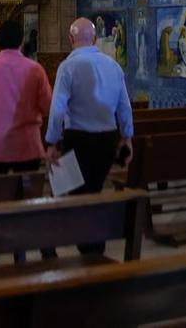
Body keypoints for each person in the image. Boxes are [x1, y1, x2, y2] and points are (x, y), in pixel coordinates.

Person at [45, 17, 134, 254]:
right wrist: (127, 137)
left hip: (78, 139)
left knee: (68, 190)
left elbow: (57, 108)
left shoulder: (68, 67)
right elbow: (124, 107)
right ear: (94, 39)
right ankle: (92, 246)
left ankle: (86, 246)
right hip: (107, 139)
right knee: (93, 189)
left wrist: (51, 141)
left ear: (70, 39)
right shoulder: (113, 66)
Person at [0, 18, 52, 176]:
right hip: (27, 144)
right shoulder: (35, 69)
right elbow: (48, 105)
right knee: (27, 189)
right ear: (21, 41)